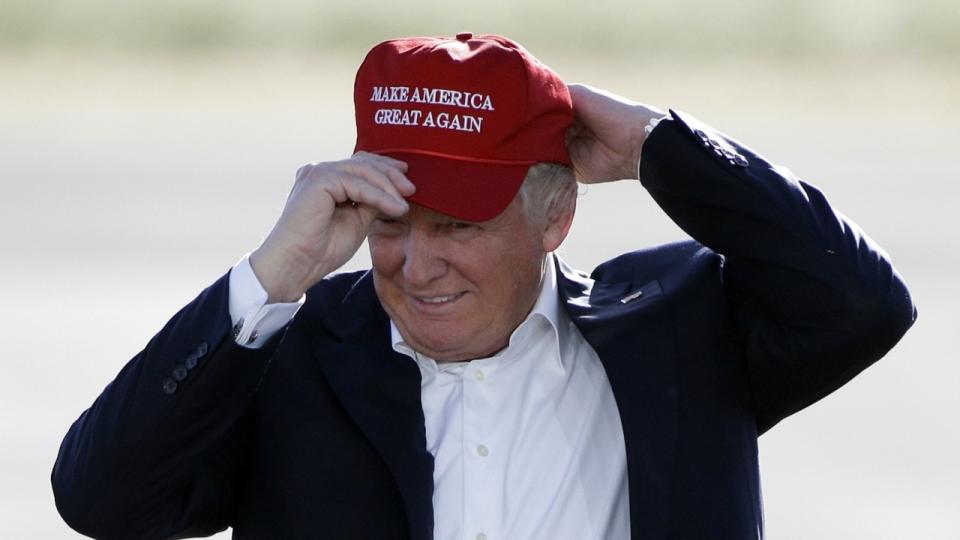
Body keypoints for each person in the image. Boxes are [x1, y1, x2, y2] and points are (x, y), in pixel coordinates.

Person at [52, 33, 916, 539]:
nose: (416, 265)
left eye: (458, 226)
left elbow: (862, 302)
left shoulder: (677, 330)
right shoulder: (290, 349)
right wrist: (273, 272)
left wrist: (664, 148)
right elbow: (103, 500)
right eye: (390, 221)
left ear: (554, 216)